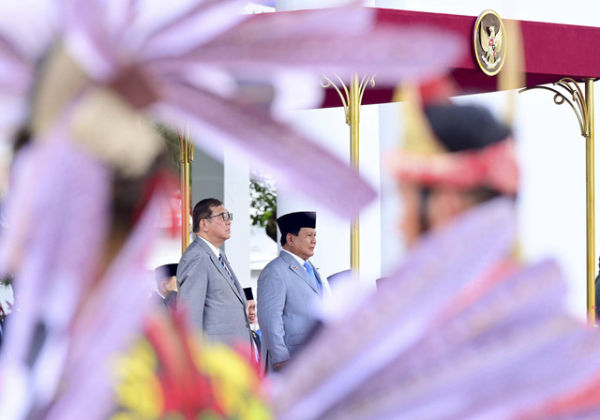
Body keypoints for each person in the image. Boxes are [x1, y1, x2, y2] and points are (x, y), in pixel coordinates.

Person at [177, 198, 252, 351]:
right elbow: (189, 315)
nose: (228, 222)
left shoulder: (219, 256)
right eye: (222, 216)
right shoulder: (197, 256)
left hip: (233, 355)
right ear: (204, 224)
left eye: (229, 216)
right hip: (215, 357)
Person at [258, 211, 328, 372]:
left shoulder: (310, 268)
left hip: (313, 357)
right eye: (309, 235)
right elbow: (270, 319)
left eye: (315, 235)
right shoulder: (275, 271)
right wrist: (280, 357)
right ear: (290, 239)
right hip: (290, 358)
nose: (314, 241)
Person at [244, 287, 262, 364]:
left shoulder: (255, 336)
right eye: (249, 308)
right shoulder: (239, 336)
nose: (252, 312)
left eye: (254, 308)